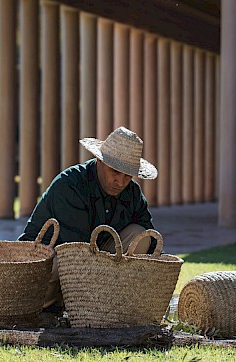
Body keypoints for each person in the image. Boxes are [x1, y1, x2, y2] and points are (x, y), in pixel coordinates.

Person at [18, 126, 158, 311]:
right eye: (115, 172)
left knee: (141, 235)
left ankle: (107, 307)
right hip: (48, 263)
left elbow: (151, 240)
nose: (120, 182)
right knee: (63, 262)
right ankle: (46, 310)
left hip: (92, 265)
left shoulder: (132, 192)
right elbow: (77, 251)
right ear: (99, 161)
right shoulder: (70, 185)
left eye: (127, 175)